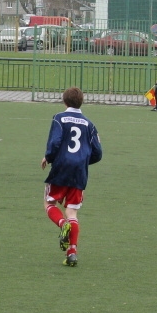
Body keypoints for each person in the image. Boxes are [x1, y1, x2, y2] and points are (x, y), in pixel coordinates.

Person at [42, 87, 103, 267]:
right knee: (72, 212)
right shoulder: (89, 124)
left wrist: (49, 157)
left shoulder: (59, 118)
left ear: (65, 101)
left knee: (49, 203)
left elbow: (55, 142)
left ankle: (62, 225)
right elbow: (98, 153)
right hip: (79, 171)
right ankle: (72, 253)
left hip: (62, 167)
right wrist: (82, 161)